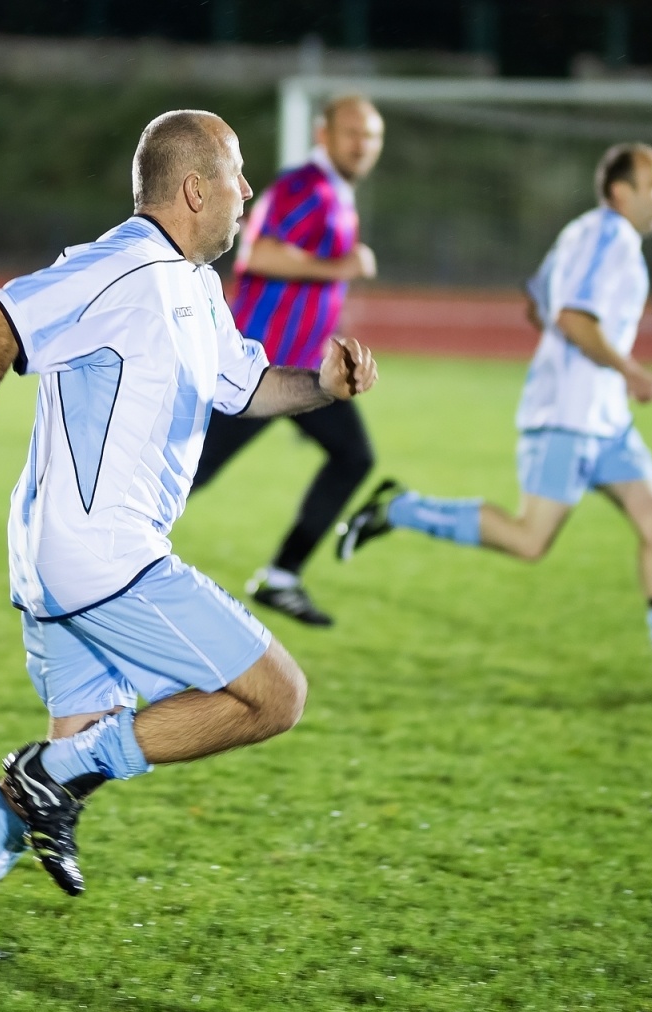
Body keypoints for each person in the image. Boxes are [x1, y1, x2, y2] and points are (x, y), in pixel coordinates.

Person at [0, 109, 378, 958]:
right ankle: (53, 779)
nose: (248, 192)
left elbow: (247, 386)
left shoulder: (192, 285)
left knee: (81, 746)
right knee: (276, 695)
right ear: (195, 189)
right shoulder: (124, 266)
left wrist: (323, 386)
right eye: (237, 176)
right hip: (103, 556)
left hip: (64, 561)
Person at [336, 142, 652, 700]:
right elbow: (569, 316)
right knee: (530, 540)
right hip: (567, 417)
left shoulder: (584, 232)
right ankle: (398, 507)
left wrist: (588, 364)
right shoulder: (610, 239)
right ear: (619, 192)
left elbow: (537, 304)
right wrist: (629, 369)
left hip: (603, 417)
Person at [188, 95, 386, 628]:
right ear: (324, 135)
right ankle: (100, 551)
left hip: (303, 368)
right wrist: (342, 264)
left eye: (371, 135)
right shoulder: (307, 186)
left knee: (354, 456)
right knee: (187, 473)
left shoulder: (337, 193)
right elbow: (259, 253)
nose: (362, 145)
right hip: (254, 367)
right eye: (352, 132)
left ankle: (282, 577)